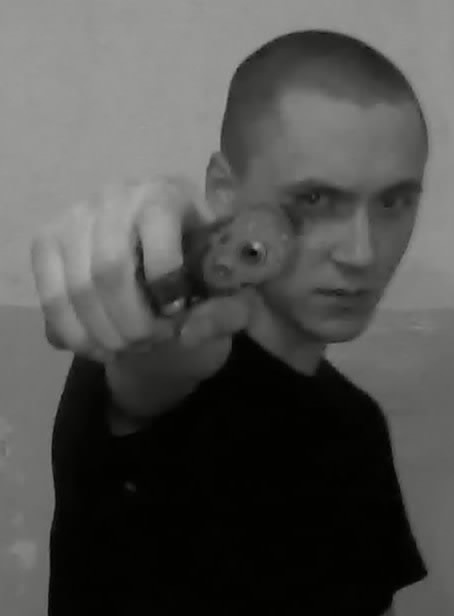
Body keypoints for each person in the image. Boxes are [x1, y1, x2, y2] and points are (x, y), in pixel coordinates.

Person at [31, 30, 429, 615]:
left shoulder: (356, 424)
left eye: (393, 202)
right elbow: (152, 365)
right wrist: (148, 251)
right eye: (316, 200)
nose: (362, 253)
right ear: (223, 191)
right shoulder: (164, 366)